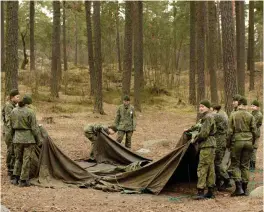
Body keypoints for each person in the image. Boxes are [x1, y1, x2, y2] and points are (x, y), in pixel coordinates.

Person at [7, 95, 41, 187]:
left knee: (18, 158)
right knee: (26, 159)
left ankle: (15, 178)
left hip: (17, 138)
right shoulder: (30, 112)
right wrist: (39, 140)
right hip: (28, 139)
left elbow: (10, 127)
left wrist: (10, 139)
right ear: (28, 103)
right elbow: (34, 128)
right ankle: (23, 180)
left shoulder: (13, 111)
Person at [228, 97, 257, 196]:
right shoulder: (250, 116)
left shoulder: (233, 115)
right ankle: (245, 189)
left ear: (239, 105)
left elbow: (230, 131)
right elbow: (255, 131)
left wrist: (228, 144)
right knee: (245, 165)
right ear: (246, 105)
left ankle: (239, 188)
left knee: (235, 164)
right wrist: (251, 142)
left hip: (237, 141)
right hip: (248, 141)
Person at [192, 100, 216, 200]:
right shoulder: (208, 117)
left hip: (206, 145)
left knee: (202, 167)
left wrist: (195, 139)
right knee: (210, 168)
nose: (201, 108)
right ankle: (210, 191)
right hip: (211, 145)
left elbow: (204, 133)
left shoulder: (207, 117)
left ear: (208, 107)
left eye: (203, 106)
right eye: (200, 106)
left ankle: (200, 191)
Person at [211, 104, 232, 191]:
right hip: (221, 142)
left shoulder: (217, 116)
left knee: (217, 163)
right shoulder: (223, 115)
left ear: (213, 109)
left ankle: (227, 180)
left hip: (219, 143)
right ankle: (218, 182)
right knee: (217, 162)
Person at [2, 89, 20, 176]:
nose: (19, 98)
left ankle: (12, 167)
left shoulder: (14, 105)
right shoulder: (9, 106)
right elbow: (9, 120)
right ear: (12, 97)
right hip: (9, 132)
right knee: (10, 150)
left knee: (13, 150)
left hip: (12, 131)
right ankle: (10, 168)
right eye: (17, 97)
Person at [249, 100, 263, 170]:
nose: (252, 107)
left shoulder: (259, 115)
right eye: (251, 105)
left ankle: (252, 165)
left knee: (253, 149)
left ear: (257, 107)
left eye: (253, 106)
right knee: (250, 149)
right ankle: (250, 164)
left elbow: (253, 124)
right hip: (250, 133)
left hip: (255, 133)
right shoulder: (251, 113)